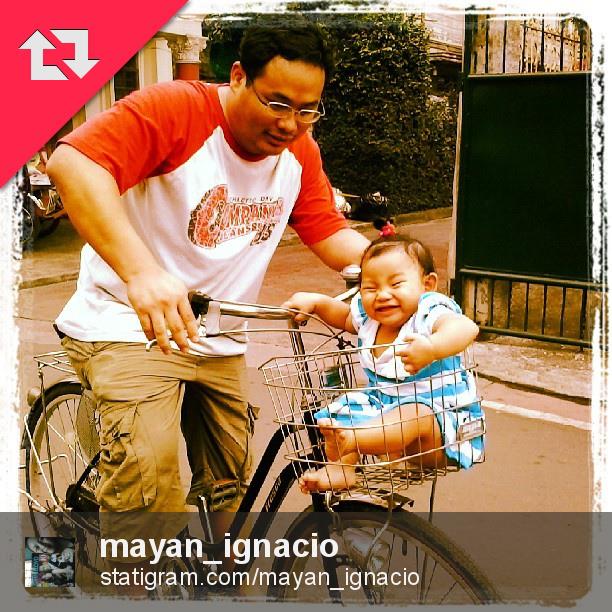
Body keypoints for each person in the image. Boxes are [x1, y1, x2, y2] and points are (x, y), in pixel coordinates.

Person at [46, 19, 370, 556]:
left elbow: (329, 231)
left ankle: (216, 577)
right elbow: (72, 162)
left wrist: (403, 281)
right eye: (277, 103)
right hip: (129, 324)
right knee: (150, 485)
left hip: (219, 335)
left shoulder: (298, 151)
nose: (290, 124)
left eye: (307, 110)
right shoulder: (177, 109)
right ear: (238, 76)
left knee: (231, 481)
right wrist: (142, 273)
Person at [282, 235, 485, 492]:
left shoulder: (428, 312)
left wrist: (432, 347)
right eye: (370, 288)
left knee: (414, 413)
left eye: (396, 284)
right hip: (388, 417)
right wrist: (317, 303)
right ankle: (341, 468)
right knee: (343, 408)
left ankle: (354, 439)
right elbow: (344, 316)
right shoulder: (370, 320)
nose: (383, 295)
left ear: (427, 284)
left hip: (442, 428)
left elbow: (465, 328)